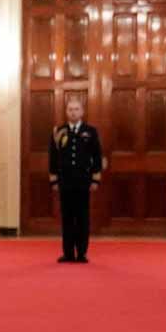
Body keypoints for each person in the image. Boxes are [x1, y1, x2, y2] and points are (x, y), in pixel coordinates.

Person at [48, 97, 104, 263]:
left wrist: (95, 179)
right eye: (70, 109)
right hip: (65, 181)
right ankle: (68, 253)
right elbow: (53, 157)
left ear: (82, 112)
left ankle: (81, 253)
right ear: (66, 112)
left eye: (76, 109)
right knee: (67, 218)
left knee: (82, 218)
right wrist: (54, 179)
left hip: (83, 181)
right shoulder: (59, 131)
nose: (73, 112)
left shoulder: (90, 131)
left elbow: (97, 156)